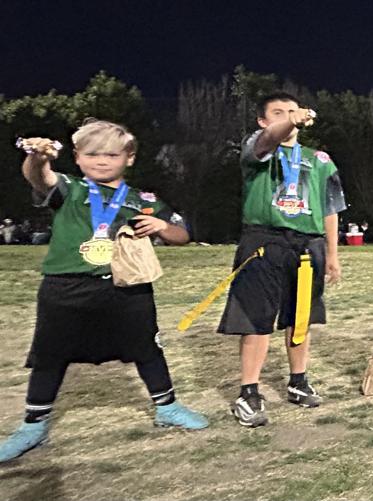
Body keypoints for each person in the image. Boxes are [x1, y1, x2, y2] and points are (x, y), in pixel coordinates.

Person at [1, 121, 208, 463]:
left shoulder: (143, 199)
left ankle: (167, 407)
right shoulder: (71, 188)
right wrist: (38, 157)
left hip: (127, 287)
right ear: (77, 157)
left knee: (148, 348)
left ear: (129, 158)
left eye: (111, 155)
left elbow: (182, 235)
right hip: (65, 286)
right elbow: (39, 178)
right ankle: (33, 426)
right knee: (49, 356)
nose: (101, 161)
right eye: (92, 154)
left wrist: (161, 226)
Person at [217, 92, 347, 427]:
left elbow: (331, 209)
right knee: (256, 319)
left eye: (292, 110)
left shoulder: (320, 160)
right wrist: (290, 120)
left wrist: (332, 254)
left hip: (308, 244)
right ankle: (248, 392)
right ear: (263, 120)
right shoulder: (258, 147)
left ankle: (298, 381)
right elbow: (267, 140)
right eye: (278, 112)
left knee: (300, 317)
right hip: (265, 240)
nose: (289, 116)